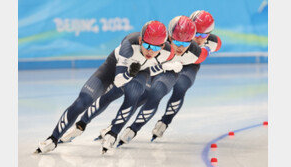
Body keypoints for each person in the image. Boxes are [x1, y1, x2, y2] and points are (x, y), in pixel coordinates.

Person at [60, 15, 212, 152]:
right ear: (169, 37)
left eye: (185, 42)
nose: (179, 47)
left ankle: (136, 127)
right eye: (175, 41)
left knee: (156, 92)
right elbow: (130, 45)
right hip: (150, 67)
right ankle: (81, 124)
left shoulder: (198, 53)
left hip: (169, 71)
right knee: (116, 91)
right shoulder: (159, 43)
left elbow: (213, 45)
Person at [35, 20, 182, 154]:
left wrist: (168, 66)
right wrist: (129, 74)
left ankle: (113, 133)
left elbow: (158, 65)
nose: (150, 51)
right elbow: (118, 81)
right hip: (113, 69)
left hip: (138, 73)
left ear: (163, 45)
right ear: (140, 40)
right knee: (84, 100)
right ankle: (53, 138)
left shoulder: (168, 52)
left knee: (134, 94)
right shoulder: (129, 45)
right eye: (147, 45)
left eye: (155, 47)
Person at [117, 10, 222, 146]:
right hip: (167, 66)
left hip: (189, 66)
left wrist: (205, 51)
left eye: (204, 35)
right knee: (148, 93)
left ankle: (163, 122)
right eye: (196, 33)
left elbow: (213, 47)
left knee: (181, 86)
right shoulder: (172, 36)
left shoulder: (213, 42)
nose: (199, 38)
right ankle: (119, 125)